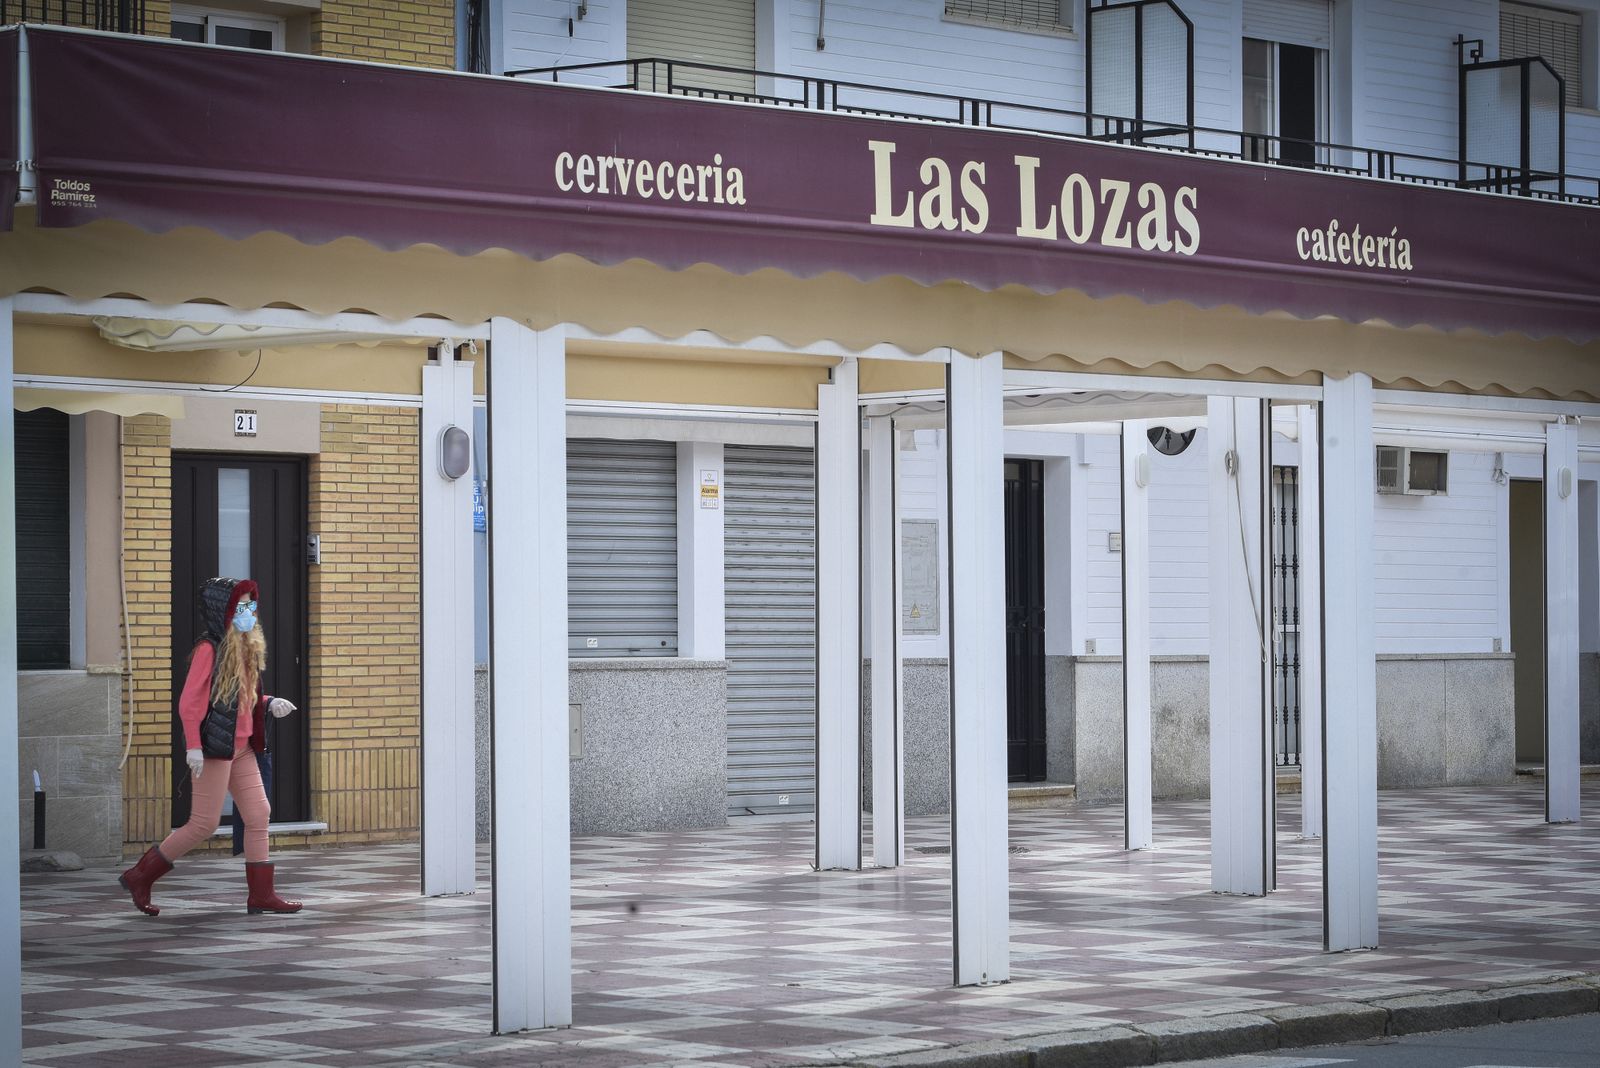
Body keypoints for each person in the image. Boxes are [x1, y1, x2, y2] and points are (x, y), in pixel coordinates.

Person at [118, 577, 303, 916]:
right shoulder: (209, 649)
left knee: (259, 813)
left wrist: (270, 702)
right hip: (215, 749)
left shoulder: (245, 649)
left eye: (252, 605)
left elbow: (239, 701)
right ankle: (139, 876)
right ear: (225, 610)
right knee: (202, 824)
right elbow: (190, 704)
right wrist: (193, 747)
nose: (249, 612)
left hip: (243, 747)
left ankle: (261, 895)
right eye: (242, 605)